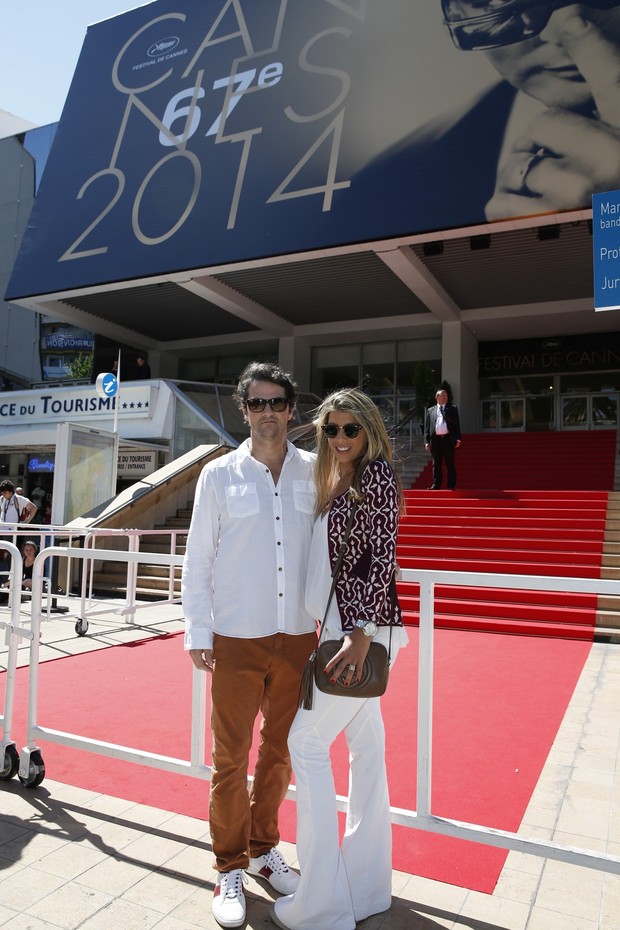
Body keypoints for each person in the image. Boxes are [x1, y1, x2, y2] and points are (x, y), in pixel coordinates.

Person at [182, 361, 317, 929]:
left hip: (297, 638)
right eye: (256, 403)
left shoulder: (316, 471)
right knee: (230, 759)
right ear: (244, 411)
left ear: (291, 409)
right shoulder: (218, 475)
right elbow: (199, 558)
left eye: (276, 402)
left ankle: (264, 850)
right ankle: (229, 864)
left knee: (280, 753)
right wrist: (197, 628)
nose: (267, 412)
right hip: (236, 636)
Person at [271, 388, 408, 930]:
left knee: (303, 741)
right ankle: (366, 887)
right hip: (352, 632)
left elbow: (383, 558)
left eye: (352, 429)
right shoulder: (338, 481)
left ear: (369, 430)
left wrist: (361, 632)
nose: (342, 438)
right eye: (332, 430)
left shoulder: (374, 477)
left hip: (359, 634)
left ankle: (321, 903)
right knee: (366, 749)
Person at [424, 389, 461, 490]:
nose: (445, 397)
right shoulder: (430, 410)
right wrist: (427, 441)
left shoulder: (452, 409)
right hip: (435, 440)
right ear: (437, 397)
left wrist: (458, 439)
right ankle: (436, 485)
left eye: (446, 396)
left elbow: (456, 425)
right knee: (436, 464)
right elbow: (427, 427)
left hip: (448, 439)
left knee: (450, 463)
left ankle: (451, 485)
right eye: (442, 396)